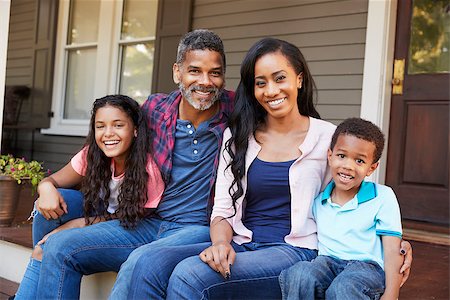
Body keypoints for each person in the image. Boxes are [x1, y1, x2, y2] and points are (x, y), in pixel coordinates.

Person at [124, 38, 412, 299]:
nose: (271, 90)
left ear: (299, 79)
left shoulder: (328, 138)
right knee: (149, 263)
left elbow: (357, 195)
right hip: (242, 243)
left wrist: (396, 245)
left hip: (296, 252)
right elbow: (223, 210)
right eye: (260, 82)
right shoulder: (238, 136)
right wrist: (222, 243)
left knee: (190, 276)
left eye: (279, 78)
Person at [19, 29, 234, 299]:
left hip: (196, 229)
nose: (205, 81)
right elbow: (108, 141)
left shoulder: (237, 112)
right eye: (194, 71)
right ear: (177, 72)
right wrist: (47, 185)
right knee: (59, 246)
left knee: (140, 261)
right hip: (146, 222)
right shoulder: (156, 110)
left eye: (215, 72)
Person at [14, 94, 165, 299]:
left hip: (131, 228)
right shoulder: (92, 155)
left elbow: (133, 219)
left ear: (135, 129)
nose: (108, 133)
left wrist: (78, 224)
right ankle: (42, 261)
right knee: (48, 212)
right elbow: (51, 181)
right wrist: (46, 189)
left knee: (52, 247)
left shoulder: (148, 169)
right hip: (99, 216)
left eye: (118, 125)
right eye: (100, 126)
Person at [279, 117, 403, 300]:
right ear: (330, 156)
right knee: (300, 274)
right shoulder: (318, 201)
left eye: (359, 161)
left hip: (366, 268)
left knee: (344, 286)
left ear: (372, 168)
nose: (347, 166)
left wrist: (392, 294)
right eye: (342, 156)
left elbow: (393, 250)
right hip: (327, 263)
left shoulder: (382, 197)